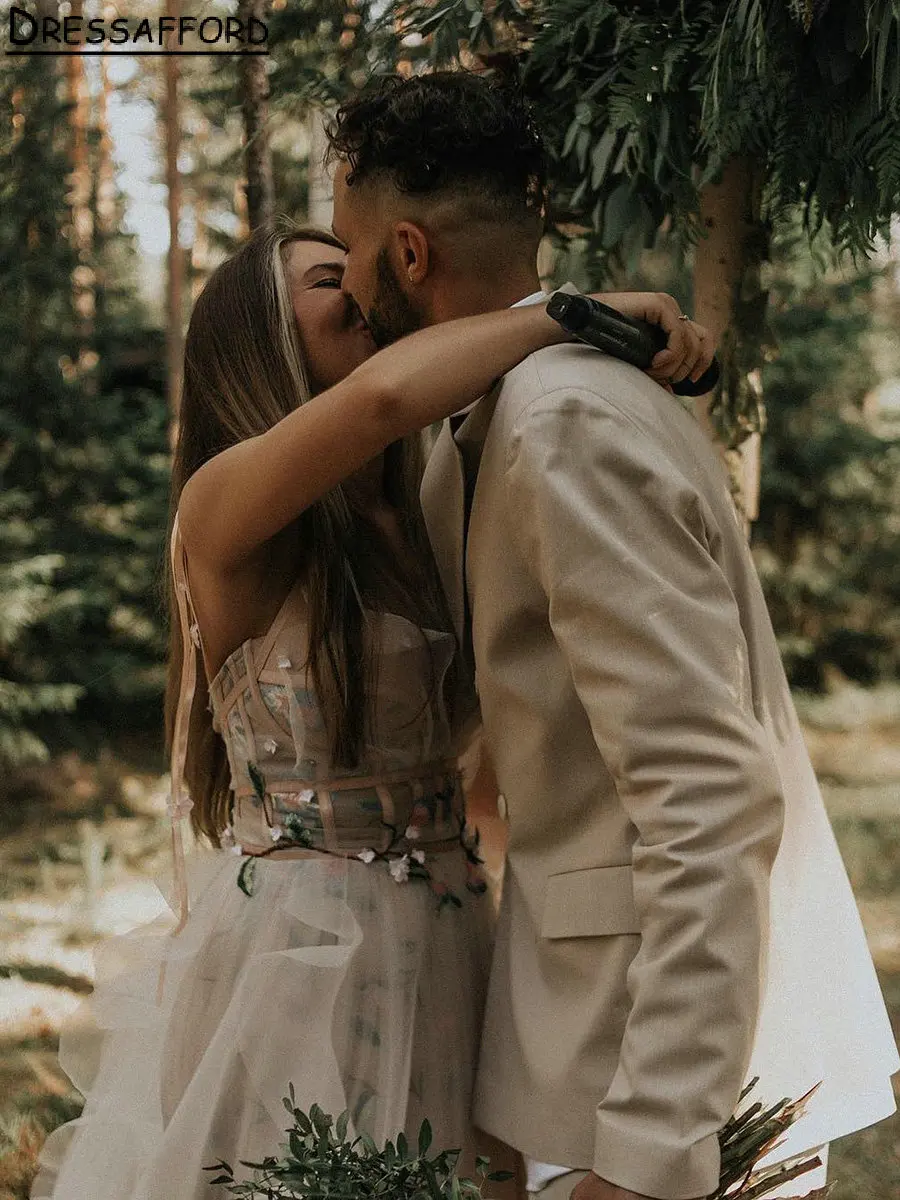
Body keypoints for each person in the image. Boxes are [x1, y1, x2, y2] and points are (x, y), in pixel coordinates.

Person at [29, 220, 708, 1200]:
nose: (362, 301)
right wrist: (574, 316)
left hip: (448, 925)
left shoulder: (413, 508)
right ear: (261, 336)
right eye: (330, 288)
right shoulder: (222, 506)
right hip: (305, 948)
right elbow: (382, 397)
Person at [325, 70, 900, 1200]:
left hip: (661, 1069)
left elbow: (711, 793)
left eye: (345, 251)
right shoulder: (478, 434)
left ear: (406, 252)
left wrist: (647, 1152)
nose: (343, 285)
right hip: (575, 1037)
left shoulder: (567, 425)